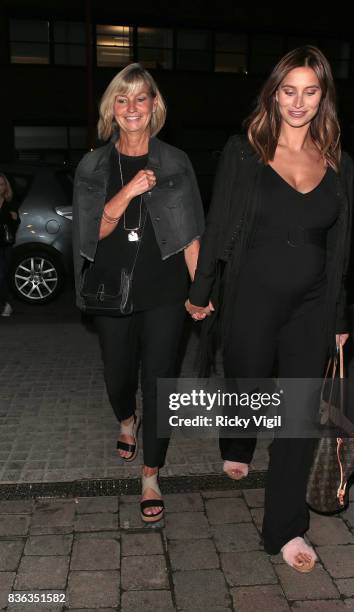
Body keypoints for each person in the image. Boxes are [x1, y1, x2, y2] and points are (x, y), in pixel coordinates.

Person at [186, 46, 354, 571]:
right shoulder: (245, 151)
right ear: (274, 93)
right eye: (289, 90)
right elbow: (217, 227)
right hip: (251, 293)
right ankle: (238, 440)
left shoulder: (339, 163)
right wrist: (201, 288)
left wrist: (341, 319)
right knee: (247, 379)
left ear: (322, 96)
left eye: (310, 91)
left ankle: (286, 528)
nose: (298, 102)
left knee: (300, 414)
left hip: (312, 304)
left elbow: (342, 249)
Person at [72, 63, 204, 523]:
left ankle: (151, 473)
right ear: (113, 107)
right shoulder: (93, 165)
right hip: (111, 290)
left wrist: (201, 290)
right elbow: (92, 234)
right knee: (117, 376)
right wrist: (127, 190)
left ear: (153, 106)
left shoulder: (175, 161)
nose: (131, 108)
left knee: (161, 383)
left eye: (140, 98)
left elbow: (191, 233)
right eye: (122, 99)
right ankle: (125, 419)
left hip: (166, 290)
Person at [0, 173, 20, 317]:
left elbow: (14, 226)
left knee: (3, 275)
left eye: (1, 184)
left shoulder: (10, 204)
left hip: (5, 245)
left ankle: (6, 303)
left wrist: (15, 219)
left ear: (6, 187)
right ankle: (6, 304)